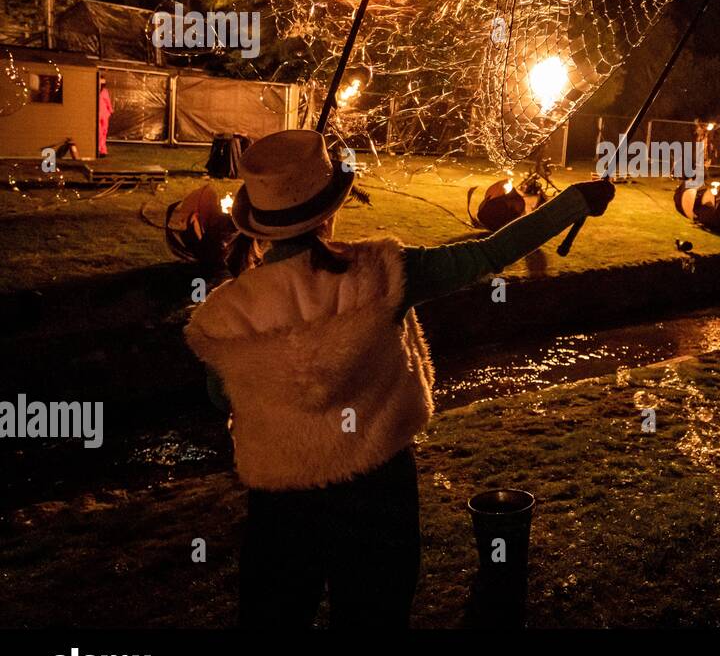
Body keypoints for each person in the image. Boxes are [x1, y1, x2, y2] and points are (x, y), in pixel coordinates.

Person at [183, 130, 616, 628]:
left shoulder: (225, 315)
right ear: (330, 209)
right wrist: (574, 202)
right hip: (377, 491)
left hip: (280, 504)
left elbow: (222, 398)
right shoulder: (384, 271)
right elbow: (486, 256)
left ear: (259, 219)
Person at [96, 78, 113, 157]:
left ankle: (103, 150)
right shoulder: (94, 90)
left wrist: (110, 111)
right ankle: (98, 149)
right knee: (99, 133)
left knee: (103, 132)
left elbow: (108, 101)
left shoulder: (105, 91)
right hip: (97, 114)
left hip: (104, 114)